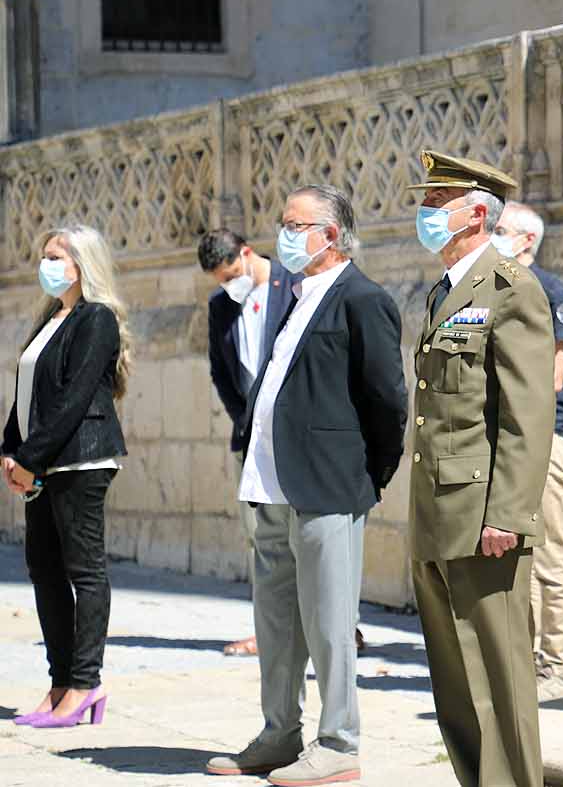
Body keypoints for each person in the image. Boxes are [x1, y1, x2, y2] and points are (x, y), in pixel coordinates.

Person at [207, 186, 408, 786]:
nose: (285, 235)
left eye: (298, 226)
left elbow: (387, 399)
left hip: (328, 486)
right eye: (283, 224)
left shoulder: (362, 298)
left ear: (333, 233)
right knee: (275, 622)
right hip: (269, 483)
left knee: (328, 622)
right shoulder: (292, 298)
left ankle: (339, 742)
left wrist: (370, 476)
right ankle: (278, 733)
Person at [409, 151, 554, 787]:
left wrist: (508, 514)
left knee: (498, 675)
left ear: (475, 213)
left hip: (483, 516)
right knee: (455, 678)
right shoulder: (446, 291)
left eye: (437, 204)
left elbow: (527, 413)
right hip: (438, 511)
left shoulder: (510, 287)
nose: (425, 215)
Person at [4, 225, 133, 729]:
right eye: (44, 255)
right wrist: (10, 451)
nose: (47, 263)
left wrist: (29, 457)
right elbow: (28, 394)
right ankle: (60, 683)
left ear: (83, 264)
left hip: (80, 459)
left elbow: (74, 398)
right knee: (44, 569)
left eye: (57, 255)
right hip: (41, 459)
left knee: (83, 569)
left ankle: (85, 683)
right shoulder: (48, 320)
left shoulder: (95, 319)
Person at [491, 200, 563, 702]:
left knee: (550, 552)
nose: (492, 236)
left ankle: (557, 665)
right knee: (514, 555)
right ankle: (520, 660)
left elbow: (553, 374)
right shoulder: (492, 289)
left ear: (526, 240)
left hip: (542, 436)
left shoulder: (551, 292)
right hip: (503, 437)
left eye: (500, 229)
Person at [199, 229, 299, 659]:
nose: (227, 284)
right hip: (251, 436)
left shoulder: (295, 286)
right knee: (259, 537)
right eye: (219, 279)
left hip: (299, 435)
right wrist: (244, 417)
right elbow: (221, 370)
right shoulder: (221, 306)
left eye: (231, 273)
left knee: (312, 536)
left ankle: (339, 627)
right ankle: (268, 630)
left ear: (246, 253)